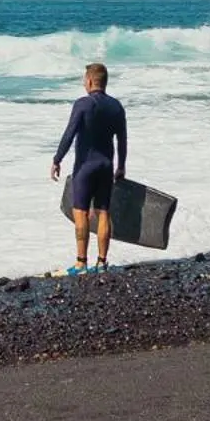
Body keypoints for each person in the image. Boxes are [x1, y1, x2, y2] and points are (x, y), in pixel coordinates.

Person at [50, 62, 128, 275]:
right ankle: (102, 263)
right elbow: (122, 140)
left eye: (85, 80)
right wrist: (121, 166)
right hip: (106, 166)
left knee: (81, 213)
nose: (84, 83)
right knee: (104, 213)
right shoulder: (116, 107)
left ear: (91, 81)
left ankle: (81, 263)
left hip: (85, 167)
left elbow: (69, 134)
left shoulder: (83, 104)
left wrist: (57, 159)